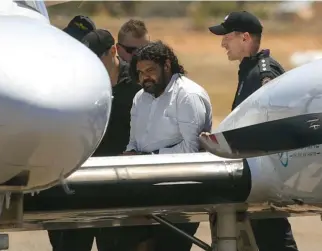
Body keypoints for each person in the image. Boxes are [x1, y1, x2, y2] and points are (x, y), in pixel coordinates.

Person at [208, 10, 299, 251]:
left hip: (266, 175)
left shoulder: (263, 72)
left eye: (227, 36)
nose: (222, 42)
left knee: (273, 239)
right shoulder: (249, 70)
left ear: (245, 37)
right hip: (254, 173)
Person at [47, 29, 142, 251]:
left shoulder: (136, 85)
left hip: (120, 183)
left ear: (112, 51)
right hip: (82, 180)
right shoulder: (79, 84)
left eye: (97, 57)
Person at [123, 40, 213, 251]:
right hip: (142, 188)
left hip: (179, 190)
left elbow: (192, 150)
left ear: (167, 65)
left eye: (150, 70)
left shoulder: (187, 95)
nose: (145, 77)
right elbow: (134, 141)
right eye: (141, 72)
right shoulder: (140, 98)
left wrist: (150, 157)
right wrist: (131, 154)